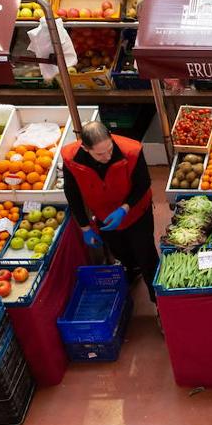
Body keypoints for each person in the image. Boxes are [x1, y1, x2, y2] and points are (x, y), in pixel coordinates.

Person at [61, 121, 159, 300]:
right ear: (85, 148)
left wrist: (125, 208)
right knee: (119, 251)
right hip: (104, 216)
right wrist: (85, 228)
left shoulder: (132, 150)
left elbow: (143, 183)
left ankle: (157, 300)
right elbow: (71, 192)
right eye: (99, 153)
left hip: (136, 211)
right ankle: (131, 270)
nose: (107, 156)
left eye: (109, 149)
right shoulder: (71, 159)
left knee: (146, 255)